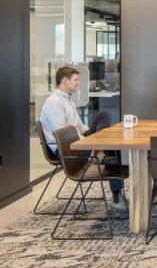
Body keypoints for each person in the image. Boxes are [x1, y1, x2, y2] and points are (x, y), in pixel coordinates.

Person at [39, 66, 127, 211]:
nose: (78, 83)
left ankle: (101, 148)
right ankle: (117, 197)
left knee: (105, 115)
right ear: (65, 80)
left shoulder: (68, 99)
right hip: (67, 148)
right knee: (112, 152)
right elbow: (62, 134)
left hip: (77, 140)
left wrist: (92, 135)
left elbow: (80, 126)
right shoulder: (54, 102)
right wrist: (87, 141)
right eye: (76, 80)